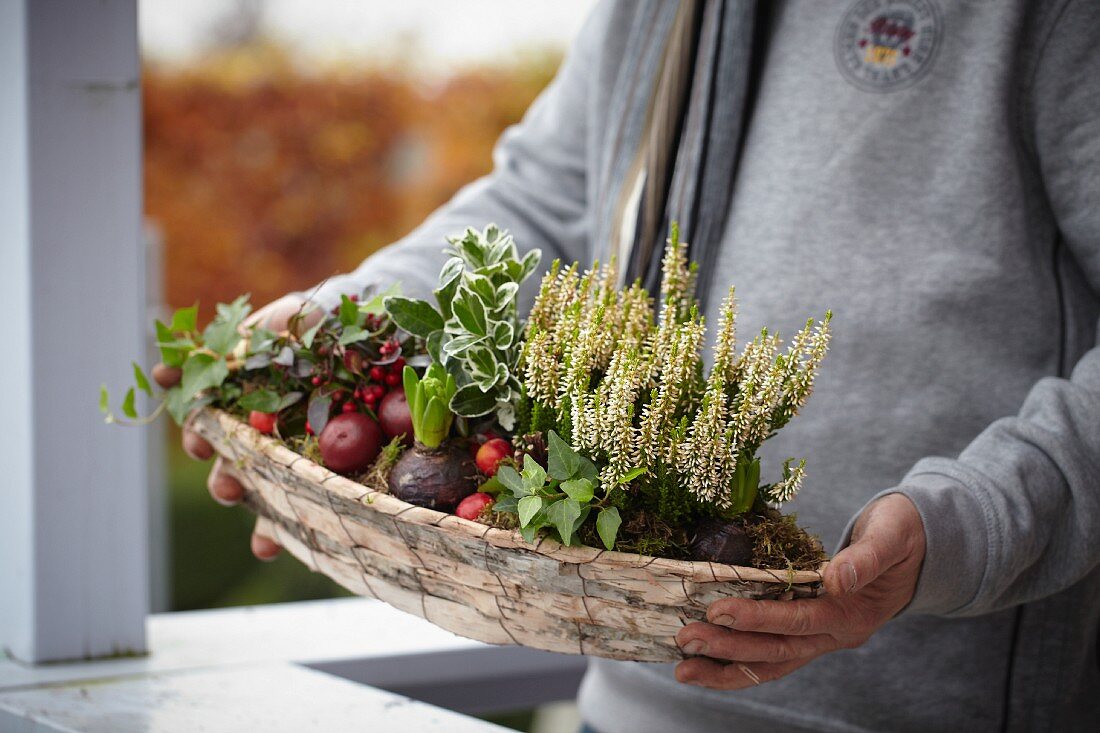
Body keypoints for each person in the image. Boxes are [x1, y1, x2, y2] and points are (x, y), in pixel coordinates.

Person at [156, 1, 1100, 731]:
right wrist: (337, 327)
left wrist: (968, 526)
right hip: (636, 696)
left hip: (940, 709)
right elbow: (545, 201)